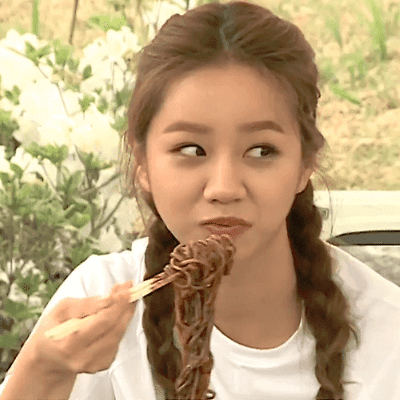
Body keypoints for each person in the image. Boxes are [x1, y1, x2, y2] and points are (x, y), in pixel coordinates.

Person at [1, 1, 400, 399]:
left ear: (305, 163)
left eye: (261, 151)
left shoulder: (387, 334)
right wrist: (44, 369)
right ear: (143, 163)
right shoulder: (98, 301)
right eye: (191, 149)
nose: (224, 188)